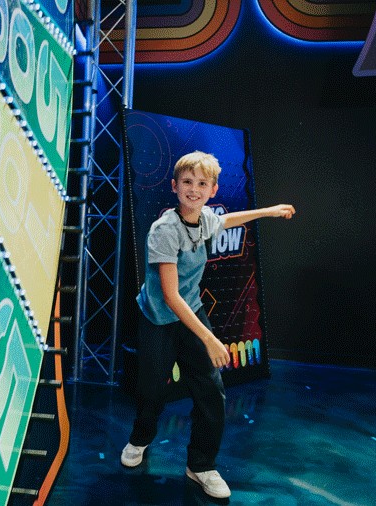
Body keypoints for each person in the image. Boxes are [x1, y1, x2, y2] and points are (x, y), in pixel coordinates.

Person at [120, 151, 295, 499]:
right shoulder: (164, 231)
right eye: (187, 182)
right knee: (152, 389)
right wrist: (211, 339)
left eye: (202, 183)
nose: (194, 189)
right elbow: (170, 297)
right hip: (158, 316)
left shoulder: (205, 219)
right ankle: (140, 438)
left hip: (191, 312)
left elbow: (228, 221)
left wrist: (269, 211)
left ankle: (201, 465)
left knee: (211, 390)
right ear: (174, 186)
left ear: (213, 190)